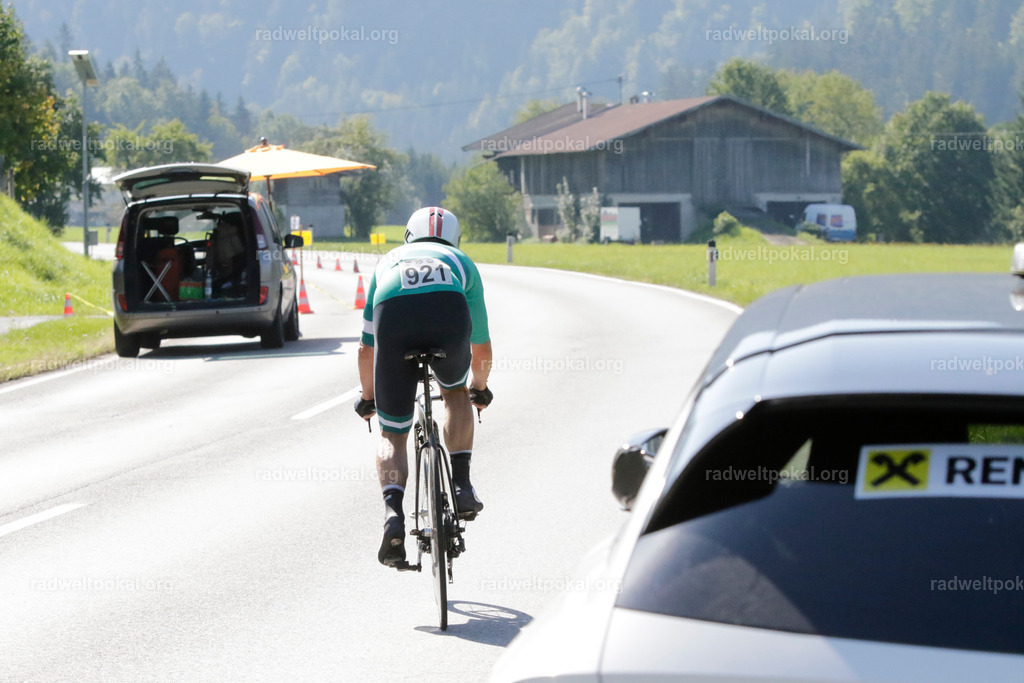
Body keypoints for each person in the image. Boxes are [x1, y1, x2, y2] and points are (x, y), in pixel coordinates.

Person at [354, 207, 493, 567]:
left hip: (393, 310)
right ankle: (461, 485)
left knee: (392, 432)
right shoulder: (460, 261)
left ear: (408, 237)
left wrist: (368, 398)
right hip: (447, 310)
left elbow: (366, 349)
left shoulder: (387, 261)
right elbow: (482, 346)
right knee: (454, 393)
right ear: (455, 238)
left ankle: (392, 515)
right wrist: (479, 388)